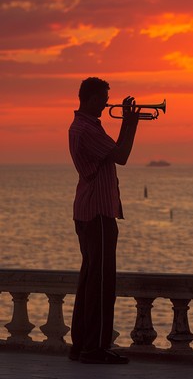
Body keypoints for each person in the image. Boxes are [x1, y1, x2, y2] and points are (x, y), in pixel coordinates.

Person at [68, 77, 140, 365]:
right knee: (101, 282)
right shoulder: (86, 128)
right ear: (89, 98)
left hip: (90, 210)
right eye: (102, 98)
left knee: (89, 280)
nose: (105, 104)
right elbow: (121, 155)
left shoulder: (83, 126)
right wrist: (130, 122)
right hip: (97, 212)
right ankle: (94, 348)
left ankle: (81, 345)